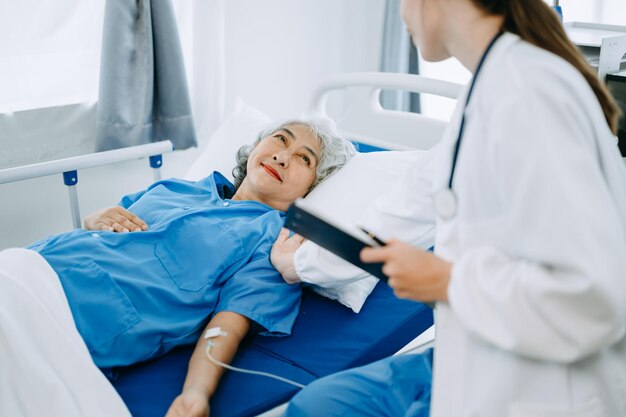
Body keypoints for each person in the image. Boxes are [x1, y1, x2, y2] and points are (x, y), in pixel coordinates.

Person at [273, 1, 626, 416]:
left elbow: (593, 301)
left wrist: (447, 281)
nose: (402, 12)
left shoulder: (530, 96)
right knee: (318, 404)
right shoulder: (487, 89)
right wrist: (300, 263)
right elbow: (405, 206)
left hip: (541, 383)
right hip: (481, 347)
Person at [0, 115, 356, 417]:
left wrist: (196, 395)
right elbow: (109, 230)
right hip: (29, 265)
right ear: (257, 145)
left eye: (304, 159)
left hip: (69, 315)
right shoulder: (175, 187)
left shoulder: (271, 241)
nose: (282, 156)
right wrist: (95, 218)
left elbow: (227, 326)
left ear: (311, 189)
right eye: (281, 139)